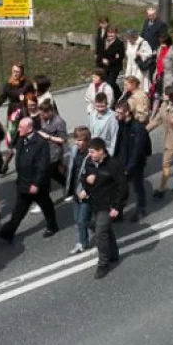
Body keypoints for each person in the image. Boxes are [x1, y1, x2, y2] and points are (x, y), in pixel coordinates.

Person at [0, 118, 58, 243]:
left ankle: (52, 226)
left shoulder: (40, 143)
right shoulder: (22, 140)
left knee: (46, 206)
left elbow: (42, 166)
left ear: (29, 128)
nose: (18, 129)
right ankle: (8, 232)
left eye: (20, 127)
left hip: (36, 184)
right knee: (19, 209)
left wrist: (36, 183)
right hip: (23, 182)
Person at [79, 138, 125, 279]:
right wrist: (86, 184)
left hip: (108, 204)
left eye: (93, 152)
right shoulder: (89, 162)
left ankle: (103, 264)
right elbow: (83, 176)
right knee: (102, 229)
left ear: (101, 151)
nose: (90, 155)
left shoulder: (113, 165)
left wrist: (117, 206)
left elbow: (122, 187)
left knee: (100, 233)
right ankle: (114, 254)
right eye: (89, 152)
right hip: (94, 203)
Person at [113, 101, 149, 222]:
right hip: (122, 162)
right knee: (121, 188)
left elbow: (137, 150)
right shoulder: (122, 123)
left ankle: (141, 209)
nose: (116, 115)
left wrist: (129, 168)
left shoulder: (137, 128)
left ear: (127, 112)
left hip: (134, 165)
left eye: (118, 112)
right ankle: (118, 212)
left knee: (137, 187)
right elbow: (120, 144)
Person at [65, 126, 93, 254]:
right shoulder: (74, 151)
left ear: (87, 141)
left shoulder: (92, 155)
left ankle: (83, 243)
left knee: (82, 220)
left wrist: (86, 190)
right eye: (76, 140)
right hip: (76, 191)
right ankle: (98, 228)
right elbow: (72, 169)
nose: (77, 143)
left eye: (80, 140)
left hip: (86, 193)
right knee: (78, 219)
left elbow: (95, 176)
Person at [38, 100, 68, 187]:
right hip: (46, 150)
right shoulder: (43, 118)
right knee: (54, 174)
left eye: (43, 114)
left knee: (47, 173)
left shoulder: (59, 122)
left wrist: (48, 137)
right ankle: (69, 186)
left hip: (54, 152)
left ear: (50, 111)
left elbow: (63, 139)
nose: (42, 117)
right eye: (41, 114)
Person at [98, 27, 125, 97]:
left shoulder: (119, 43)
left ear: (115, 34)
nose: (110, 35)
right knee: (109, 83)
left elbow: (120, 57)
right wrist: (102, 59)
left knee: (109, 84)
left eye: (112, 33)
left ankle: (110, 98)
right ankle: (119, 94)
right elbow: (100, 53)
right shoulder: (104, 42)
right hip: (105, 67)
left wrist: (109, 61)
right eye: (109, 33)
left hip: (114, 67)